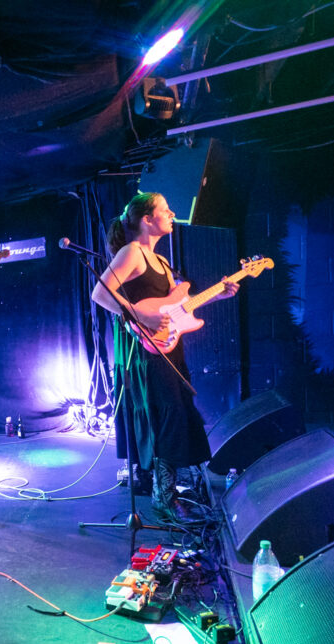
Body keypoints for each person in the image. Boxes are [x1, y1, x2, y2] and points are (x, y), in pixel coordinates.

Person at [91, 192, 237, 518]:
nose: (172, 214)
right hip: (147, 351)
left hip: (170, 348)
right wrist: (138, 314)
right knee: (165, 418)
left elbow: (177, 309)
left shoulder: (162, 261)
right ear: (147, 219)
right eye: (165, 210)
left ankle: (167, 491)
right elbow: (100, 292)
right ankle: (163, 497)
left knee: (176, 416)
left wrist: (218, 296)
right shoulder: (133, 252)